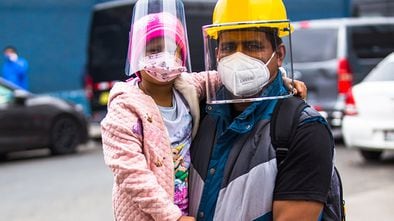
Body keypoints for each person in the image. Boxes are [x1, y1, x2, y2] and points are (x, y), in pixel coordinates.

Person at [101, 0, 306, 220]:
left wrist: (284, 79)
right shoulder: (125, 107)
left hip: (186, 210)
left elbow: (237, 73)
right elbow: (130, 173)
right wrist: (172, 217)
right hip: (147, 214)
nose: (163, 57)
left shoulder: (187, 87)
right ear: (135, 56)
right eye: (152, 50)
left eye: (172, 49)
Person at [188, 0, 334, 221]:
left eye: (253, 46)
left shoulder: (304, 130)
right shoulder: (199, 114)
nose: (238, 58)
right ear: (217, 53)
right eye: (228, 47)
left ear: (279, 54)